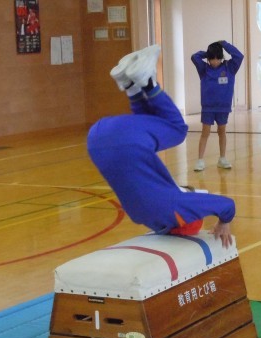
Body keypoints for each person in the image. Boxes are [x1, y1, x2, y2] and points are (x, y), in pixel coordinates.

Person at [87, 45, 236, 248]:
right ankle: (130, 85)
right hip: (97, 140)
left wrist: (224, 223)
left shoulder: (177, 205)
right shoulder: (141, 216)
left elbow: (228, 206)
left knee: (178, 129)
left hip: (122, 139)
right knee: (147, 132)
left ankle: (149, 84)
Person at [191, 40, 244, 172]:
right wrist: (208, 52)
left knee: (222, 132)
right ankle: (200, 160)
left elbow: (239, 56)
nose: (215, 62)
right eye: (212, 59)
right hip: (208, 108)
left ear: (221, 57)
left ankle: (222, 159)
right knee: (205, 132)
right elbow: (194, 57)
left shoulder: (229, 68)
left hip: (223, 108)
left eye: (217, 58)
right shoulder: (204, 69)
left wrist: (224, 44)